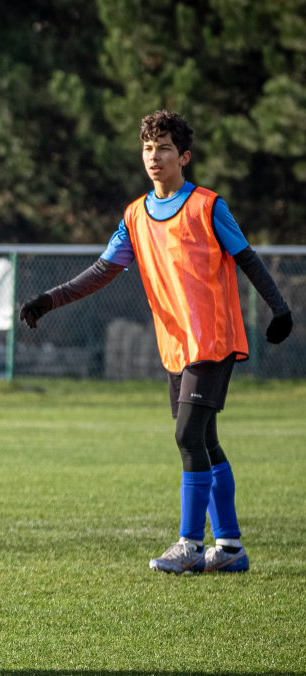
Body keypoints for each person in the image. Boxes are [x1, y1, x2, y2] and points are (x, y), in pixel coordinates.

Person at [19, 110, 293, 575]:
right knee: (204, 439)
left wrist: (279, 308)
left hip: (213, 339)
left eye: (164, 148)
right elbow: (101, 271)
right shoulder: (135, 215)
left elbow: (247, 258)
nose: (154, 156)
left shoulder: (207, 206)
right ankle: (229, 548)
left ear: (184, 157)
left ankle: (190, 544)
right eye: (148, 148)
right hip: (176, 345)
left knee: (187, 435)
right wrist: (49, 299)